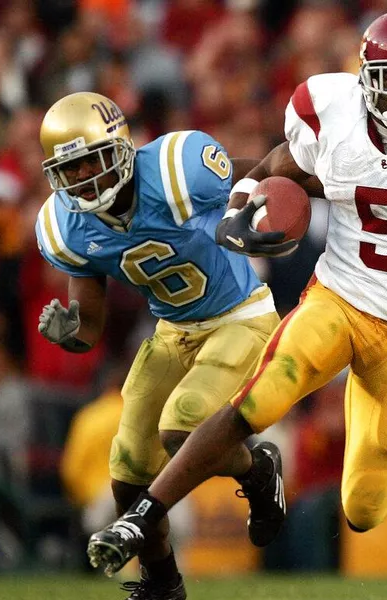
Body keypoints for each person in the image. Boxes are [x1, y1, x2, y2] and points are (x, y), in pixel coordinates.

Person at [86, 10, 387, 579]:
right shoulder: (331, 112)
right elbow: (273, 168)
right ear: (367, 76)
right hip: (335, 301)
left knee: (362, 510)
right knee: (256, 400)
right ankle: (143, 516)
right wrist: (240, 210)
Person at [35, 91, 290, 600]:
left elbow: (260, 174)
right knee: (128, 468)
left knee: (184, 422)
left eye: (92, 161)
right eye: (72, 170)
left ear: (122, 148)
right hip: (173, 331)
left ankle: (258, 471)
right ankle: (162, 586)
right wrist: (72, 333)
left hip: (241, 316)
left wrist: (260, 209)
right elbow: (90, 324)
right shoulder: (64, 226)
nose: (84, 179)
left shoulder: (178, 168)